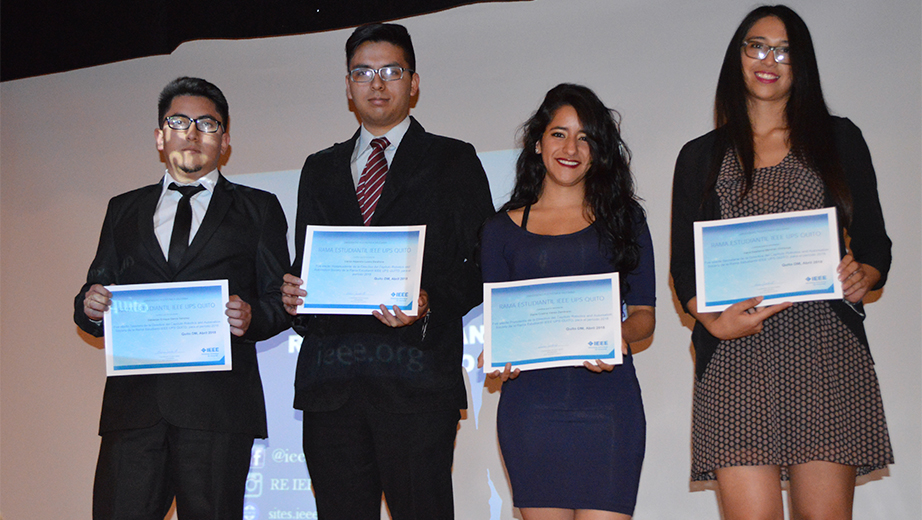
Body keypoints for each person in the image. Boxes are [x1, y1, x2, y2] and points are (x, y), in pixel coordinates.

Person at [669, 5, 893, 519]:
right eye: (757, 45)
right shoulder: (700, 156)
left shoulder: (839, 139)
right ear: (738, 56)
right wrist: (712, 320)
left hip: (824, 349)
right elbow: (686, 266)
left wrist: (866, 274)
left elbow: (875, 244)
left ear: (801, 64)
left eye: (785, 50)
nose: (769, 59)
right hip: (734, 355)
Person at [280, 23, 494, 519]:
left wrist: (428, 301)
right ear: (348, 86)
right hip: (330, 388)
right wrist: (293, 296)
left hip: (415, 384)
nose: (377, 84)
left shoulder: (453, 160)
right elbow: (306, 263)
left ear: (413, 83)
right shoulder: (319, 167)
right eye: (363, 72)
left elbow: (482, 262)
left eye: (391, 71)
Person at [75, 77, 291, 519]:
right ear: (160, 136)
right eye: (178, 121)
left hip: (218, 412)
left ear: (225, 140)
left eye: (207, 124)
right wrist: (90, 306)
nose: (191, 132)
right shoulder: (123, 208)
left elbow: (279, 298)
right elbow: (96, 287)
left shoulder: (259, 208)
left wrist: (252, 316)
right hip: (134, 410)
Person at [479, 83, 655, 520]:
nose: (571, 147)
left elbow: (645, 317)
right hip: (530, 412)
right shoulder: (499, 229)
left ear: (599, 150)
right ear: (538, 143)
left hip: (610, 407)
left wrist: (616, 335)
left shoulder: (626, 218)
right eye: (559, 133)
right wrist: (495, 355)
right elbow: (498, 322)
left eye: (585, 137)